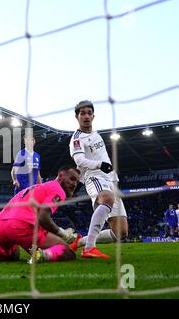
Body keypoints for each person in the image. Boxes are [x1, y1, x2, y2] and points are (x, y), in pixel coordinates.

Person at [0, 165, 80, 264]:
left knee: (11, 254)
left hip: (0, 225)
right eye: (72, 178)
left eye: (77, 182)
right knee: (67, 251)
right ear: (60, 175)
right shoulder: (58, 189)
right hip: (21, 224)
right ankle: (43, 255)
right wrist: (61, 233)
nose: (74, 184)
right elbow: (43, 217)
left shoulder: (39, 187)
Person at [68, 100, 128, 259]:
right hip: (94, 176)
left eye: (89, 113)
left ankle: (81, 241)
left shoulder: (96, 134)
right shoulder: (77, 139)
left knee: (120, 233)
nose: (86, 116)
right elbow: (80, 161)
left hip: (110, 179)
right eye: (82, 113)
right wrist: (100, 165)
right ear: (77, 117)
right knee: (106, 198)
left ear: (93, 116)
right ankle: (89, 248)